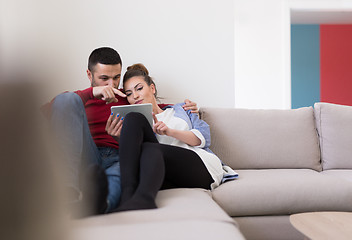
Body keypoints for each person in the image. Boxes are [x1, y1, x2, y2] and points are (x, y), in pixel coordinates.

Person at [48, 47, 198, 216]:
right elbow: (46, 115)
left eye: (116, 78)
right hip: (87, 154)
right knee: (67, 98)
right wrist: (91, 93)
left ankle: (100, 204)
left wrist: (185, 108)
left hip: (120, 157)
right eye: (104, 79)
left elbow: (159, 110)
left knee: (123, 171)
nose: (111, 85)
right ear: (90, 75)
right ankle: (69, 195)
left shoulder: (129, 97)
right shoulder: (79, 98)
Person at [107, 63, 238, 212]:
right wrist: (120, 138)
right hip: (162, 169)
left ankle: (143, 198)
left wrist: (169, 131)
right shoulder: (139, 124)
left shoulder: (181, 109)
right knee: (134, 119)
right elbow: (137, 156)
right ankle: (127, 195)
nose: (135, 95)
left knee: (151, 148)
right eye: (129, 93)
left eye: (139, 88)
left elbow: (202, 139)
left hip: (200, 166)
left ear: (152, 88)